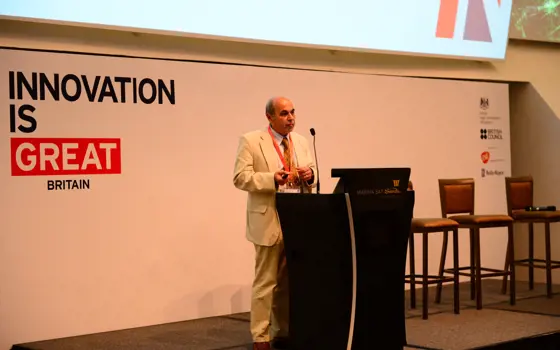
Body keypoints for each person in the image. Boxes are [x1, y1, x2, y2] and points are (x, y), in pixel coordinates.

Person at [233, 96, 317, 350]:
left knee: (290, 281)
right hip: (269, 218)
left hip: (297, 219)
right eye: (284, 114)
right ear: (269, 117)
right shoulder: (251, 141)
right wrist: (272, 179)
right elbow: (240, 177)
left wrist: (310, 175)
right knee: (266, 282)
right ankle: (261, 336)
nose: (290, 118)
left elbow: (313, 172)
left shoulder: (301, 141)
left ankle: (283, 330)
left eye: (292, 112)